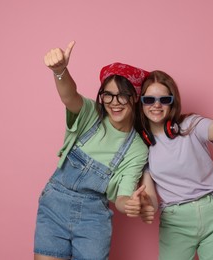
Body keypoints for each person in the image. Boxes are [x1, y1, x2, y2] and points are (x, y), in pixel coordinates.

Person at [34, 40, 150, 260]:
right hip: (54, 206)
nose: (114, 102)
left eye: (122, 95)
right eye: (108, 94)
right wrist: (60, 71)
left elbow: (123, 196)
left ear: (134, 98)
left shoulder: (136, 148)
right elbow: (70, 95)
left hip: (93, 219)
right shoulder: (90, 114)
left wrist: (131, 205)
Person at [136, 68, 213, 260]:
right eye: (149, 100)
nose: (156, 105)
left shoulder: (192, 125)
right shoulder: (142, 145)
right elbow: (151, 198)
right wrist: (145, 204)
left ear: (172, 102)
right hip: (175, 221)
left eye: (164, 99)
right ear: (141, 103)